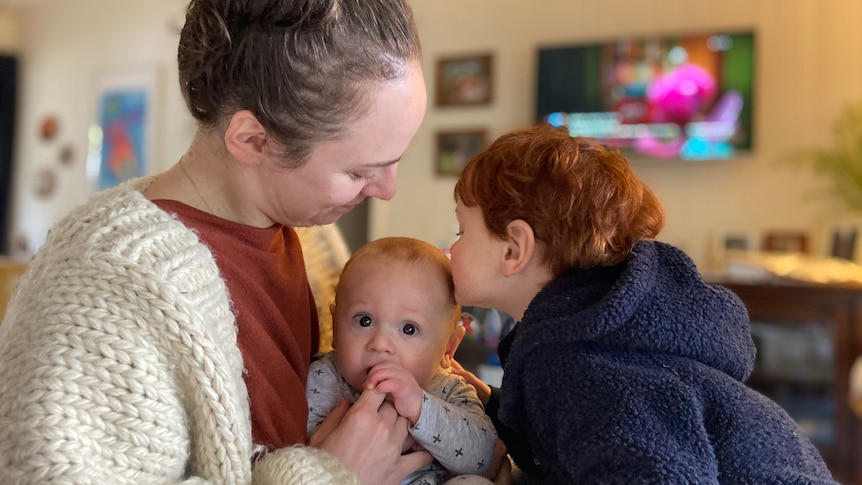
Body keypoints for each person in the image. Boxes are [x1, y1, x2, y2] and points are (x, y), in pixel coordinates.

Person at [0, 0, 430, 483]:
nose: (386, 189)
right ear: (251, 140)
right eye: (359, 171)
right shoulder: (100, 293)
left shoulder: (297, 237)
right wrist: (333, 476)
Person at [448, 123, 838, 484]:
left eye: (462, 230)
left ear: (514, 249)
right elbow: (571, 444)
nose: (451, 248)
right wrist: (490, 404)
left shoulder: (577, 361)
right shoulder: (593, 338)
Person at [306, 236, 497, 485]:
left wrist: (420, 407)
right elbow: (299, 444)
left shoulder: (449, 389)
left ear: (448, 347)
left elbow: (484, 458)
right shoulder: (324, 375)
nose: (380, 344)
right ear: (335, 327)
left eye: (409, 329)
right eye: (364, 320)